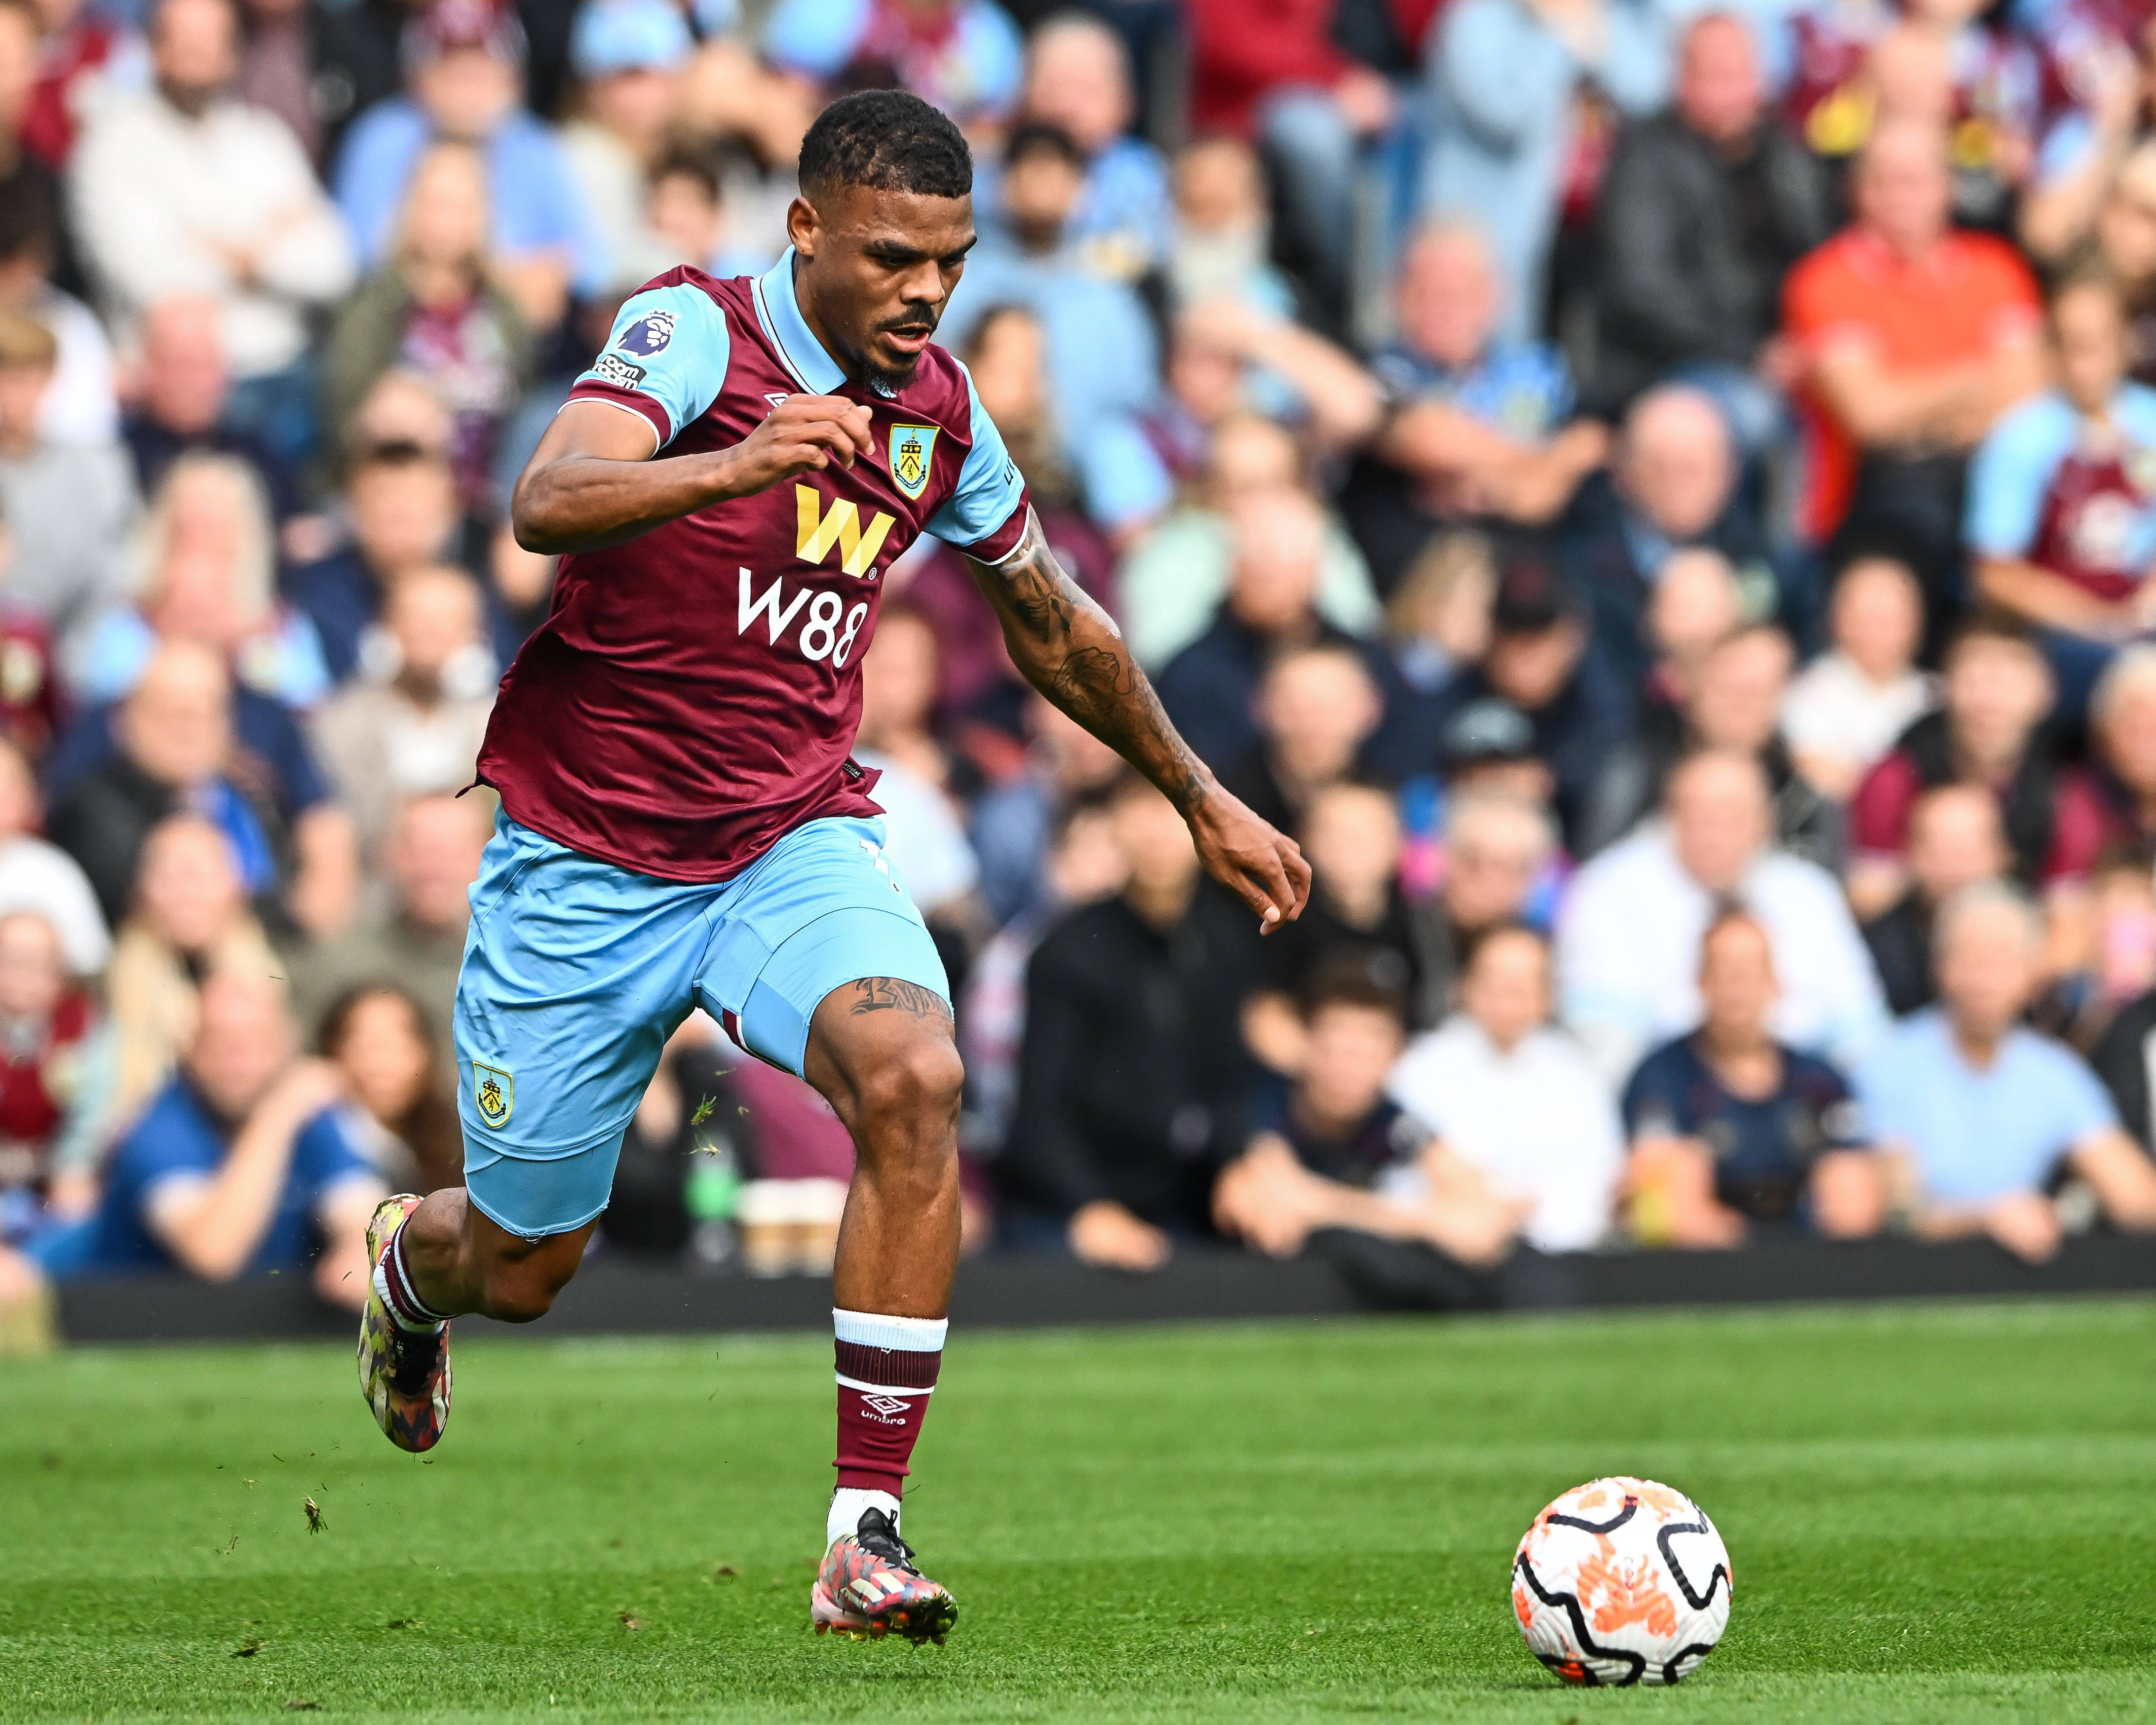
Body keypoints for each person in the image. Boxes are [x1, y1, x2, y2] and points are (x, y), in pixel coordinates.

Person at [354, 92, 1307, 1647]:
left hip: (787, 842)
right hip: (585, 862)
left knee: (915, 1076)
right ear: (804, 232)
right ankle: (409, 1269)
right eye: (891, 257)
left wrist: (1194, 790)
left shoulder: (939, 412)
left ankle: (863, 1532)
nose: (926, 293)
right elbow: (546, 500)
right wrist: (733, 470)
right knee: (525, 1267)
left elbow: (1052, 619)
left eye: (950, 259)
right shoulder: (689, 335)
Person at [1001, 771, 1262, 1272]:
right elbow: (1039, 1112)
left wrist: (1238, 1164)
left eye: (1173, 810)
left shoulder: (1225, 940)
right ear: (1115, 826)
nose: (1157, 831)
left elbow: (1228, 1080)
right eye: (1140, 810)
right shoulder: (1069, 950)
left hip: (1185, 1197)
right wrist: (1091, 1208)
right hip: (1068, 1203)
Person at [1782, 118, 2044, 614]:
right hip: (1874, 502)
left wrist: (1918, 409)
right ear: (1856, 191)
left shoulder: (1999, 268)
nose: (1899, 197)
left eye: (1916, 180)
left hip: (1993, 483)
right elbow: (1871, 416)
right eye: (1882, 180)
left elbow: (2027, 398)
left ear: (1949, 186)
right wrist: (1974, 379)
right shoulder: (1824, 279)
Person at [13, 966, 383, 1294]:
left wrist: (354, 1250)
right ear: (188, 1050)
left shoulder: (312, 1117)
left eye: (258, 1042)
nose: (241, 1061)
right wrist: (274, 1120)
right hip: (107, 1324)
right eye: (222, 1044)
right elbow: (214, 1254)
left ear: (285, 1045)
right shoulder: (156, 1130)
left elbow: (369, 1224)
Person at [67, 0, 353, 395]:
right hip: (180, 385)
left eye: (208, 40)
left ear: (234, 53)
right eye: (183, 39)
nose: (195, 53)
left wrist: (225, 252)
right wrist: (270, 243)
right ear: (154, 48)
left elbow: (332, 266)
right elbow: (150, 282)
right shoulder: (111, 145)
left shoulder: (266, 139)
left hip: (291, 369)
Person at [1858, 883, 2156, 1262]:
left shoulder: (2054, 1072)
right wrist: (1987, 1220)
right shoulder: (1888, 1063)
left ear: (2033, 974)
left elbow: (2138, 1201)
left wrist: (2061, 1213)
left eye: (2002, 959)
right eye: (1970, 956)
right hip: (1911, 1279)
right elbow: (1896, 1214)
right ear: (1940, 966)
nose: (1984, 977)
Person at [1557, 747, 1886, 1083]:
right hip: (1665, 1102)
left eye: (1734, 816)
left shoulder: (1811, 894)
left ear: (1766, 823)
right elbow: (1603, 1046)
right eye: (1700, 816)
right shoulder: (1607, 889)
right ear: (1667, 818)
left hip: (1798, 1105)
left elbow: (1862, 1037)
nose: (1716, 833)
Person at [1212, 970, 1526, 1296]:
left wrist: (1322, 1202)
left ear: (1395, 1056)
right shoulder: (1262, 1107)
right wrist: (1431, 1220)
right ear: (1306, 1044)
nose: (1349, 1069)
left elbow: (1483, 1225)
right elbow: (1262, 1213)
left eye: (1367, 1053)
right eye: (1338, 1049)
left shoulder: (1394, 1121)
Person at [1593, 10, 1835, 419]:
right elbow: (1642, 293)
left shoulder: (1783, 152)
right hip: (1674, 367)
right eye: (1714, 76)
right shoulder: (1645, 158)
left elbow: (1820, 256)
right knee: (1755, 417)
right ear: (1680, 78)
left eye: (1739, 74)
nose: (1731, 93)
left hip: (1789, 353)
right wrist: (1750, 354)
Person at [1621, 907, 1884, 1248]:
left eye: (1750, 972)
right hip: (1706, 1271)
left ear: (1776, 983)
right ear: (1700, 982)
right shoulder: (1661, 1076)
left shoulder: (1820, 1080)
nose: (1738, 987)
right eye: (1724, 971)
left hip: (1811, 1260)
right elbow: (1668, 1211)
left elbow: (1855, 1202)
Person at [1967, 270, 2156, 717]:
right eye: (2068, 345)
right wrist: (2098, 621)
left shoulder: (2150, 420)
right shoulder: (2019, 436)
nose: (2081, 362)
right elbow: (1996, 572)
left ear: (2125, 342)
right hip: (2057, 629)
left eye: (2095, 344)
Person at [320, 139, 535, 518]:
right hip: (394, 499)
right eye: (435, 203)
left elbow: (525, 412)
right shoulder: (374, 303)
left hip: (489, 503)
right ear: (411, 209)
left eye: (459, 205)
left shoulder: (504, 310)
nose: (446, 220)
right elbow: (341, 417)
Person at [1385, 922, 1624, 1255]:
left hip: (1556, 1254)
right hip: (1444, 1249)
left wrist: (1527, 1215)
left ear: (1548, 996)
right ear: (1465, 986)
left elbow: (1600, 1174)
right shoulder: (1418, 1069)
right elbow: (1403, 1177)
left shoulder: (1577, 1073)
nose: (1510, 994)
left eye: (1525, 982)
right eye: (1496, 979)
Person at [308, 565, 495, 864]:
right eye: (416, 617)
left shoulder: (497, 727)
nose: (430, 632)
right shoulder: (341, 723)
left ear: (473, 633)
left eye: (446, 620)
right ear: (387, 624)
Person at [1782, 550, 1936, 800]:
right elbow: (1821, 777)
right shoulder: (1806, 692)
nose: (1875, 633)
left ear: (1916, 624)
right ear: (1836, 620)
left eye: (1888, 620)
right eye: (1864, 619)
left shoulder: (1934, 694)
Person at [0, 908, 116, 1238]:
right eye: (10, 959)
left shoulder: (83, 1023)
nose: (22, 973)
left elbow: (93, 1113)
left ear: (59, 973)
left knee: (77, 1214)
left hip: (57, 1167)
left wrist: (71, 1167)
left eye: (36, 962)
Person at [1860, 784, 2013, 1018]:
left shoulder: (2029, 938)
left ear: (2000, 855)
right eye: (1939, 852)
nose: (1955, 869)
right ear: (1911, 853)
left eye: (1966, 852)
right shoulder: (1874, 950)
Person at [319, 982, 461, 1195]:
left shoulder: (454, 1135)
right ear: (333, 1053)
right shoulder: (320, 1134)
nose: (381, 1062)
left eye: (397, 1043)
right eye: (362, 1043)